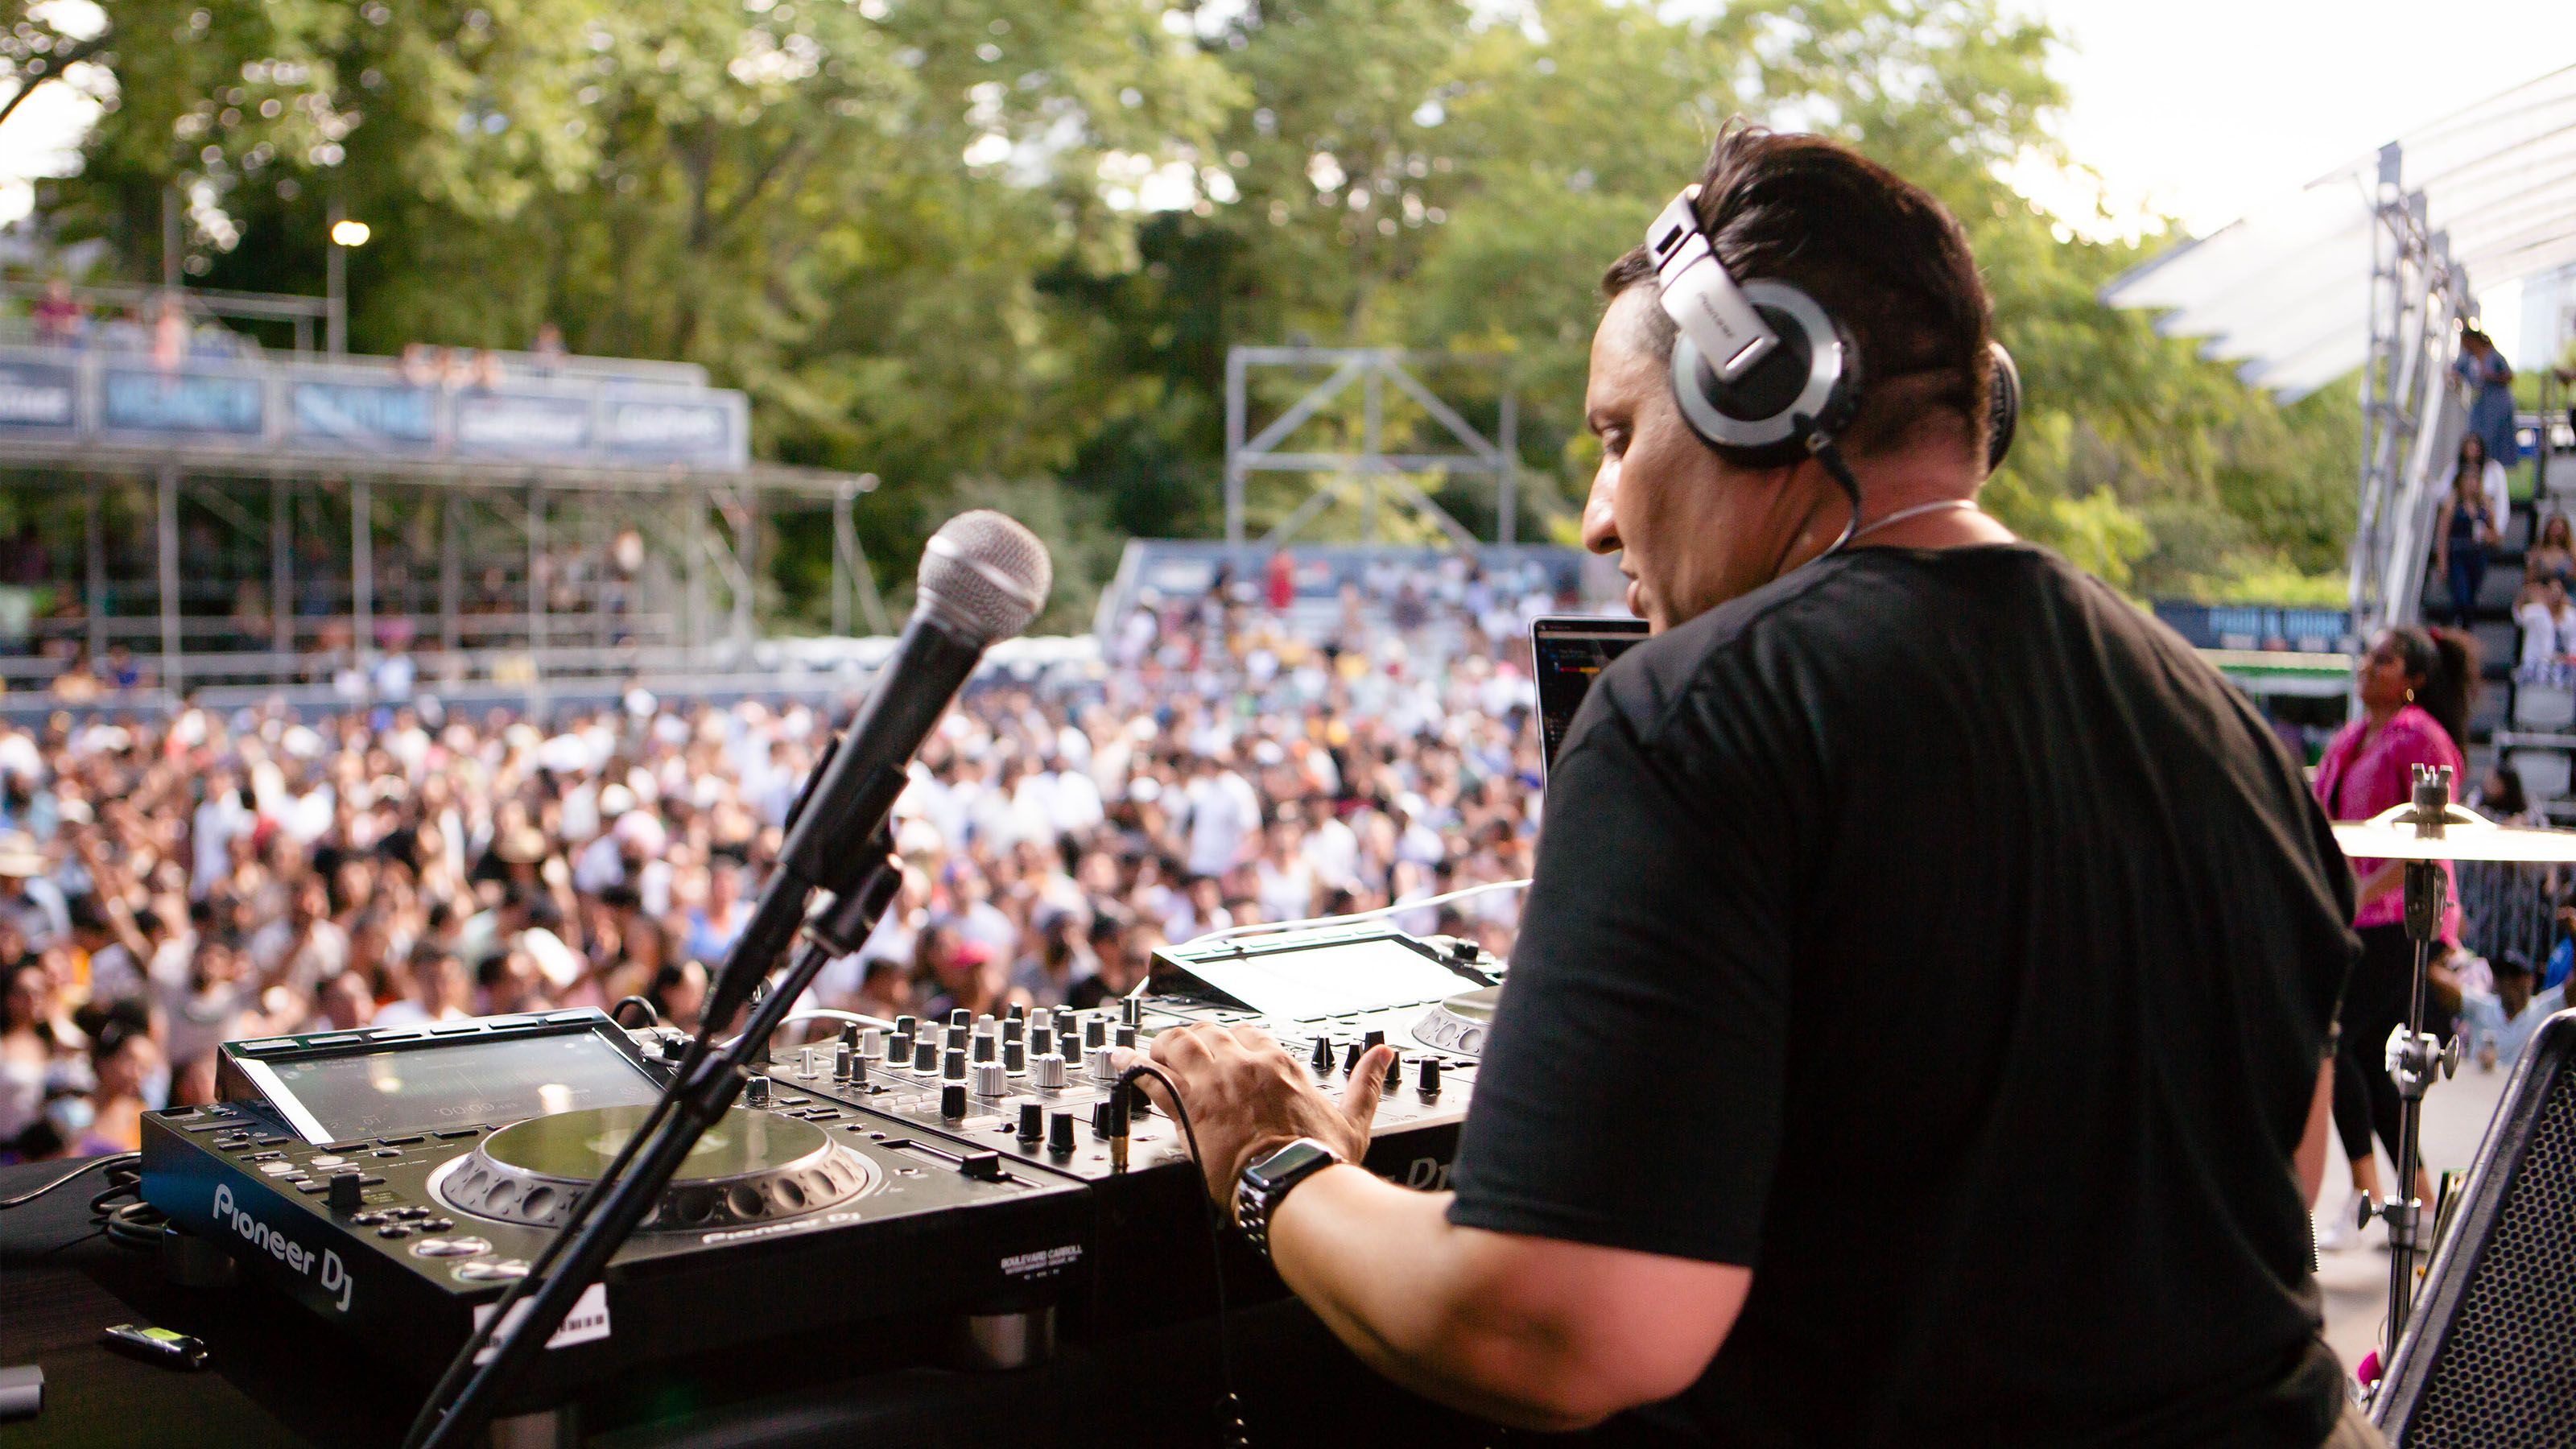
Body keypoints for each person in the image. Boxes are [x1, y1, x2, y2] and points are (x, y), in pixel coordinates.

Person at [1121, 127, 2375, 1447]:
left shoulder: (1700, 710)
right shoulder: (2226, 724)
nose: (1602, 511)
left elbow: (1552, 1323)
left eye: (1618, 433)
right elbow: (2276, 1185)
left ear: (1757, 387)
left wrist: (1278, 1165)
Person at [2310, 626, 2473, 1251]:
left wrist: (2363, 891)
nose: (2367, 666)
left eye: (2384, 658)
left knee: (2333, 1044)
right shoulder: (2351, 739)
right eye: (2368, 655)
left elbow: (2427, 840)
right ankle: (2425, 1201)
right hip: (2353, 918)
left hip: (2402, 920)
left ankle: (2368, 1192)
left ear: (2414, 679)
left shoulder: (2421, 738)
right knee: (2376, 1068)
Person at [2459, 950, 2562, 1072]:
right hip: (2478, 1088)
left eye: (2515, 975)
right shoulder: (2481, 1006)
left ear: (2531, 979)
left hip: (2524, 1090)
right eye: (2501, 975)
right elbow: (2438, 979)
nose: (2508, 981)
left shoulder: (2545, 1008)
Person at [2433, 456, 2500, 628]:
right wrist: (2442, 561)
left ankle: (2465, 632)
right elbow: (2443, 534)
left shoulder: (2484, 505)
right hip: (2457, 553)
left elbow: (2496, 535)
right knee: (2460, 597)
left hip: (2477, 555)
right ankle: (2447, 627)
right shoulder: (2453, 504)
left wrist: (2487, 535)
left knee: (2470, 599)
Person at [2454, 329, 2518, 469]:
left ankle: (2494, 472)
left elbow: (2509, 376)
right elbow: (2455, 372)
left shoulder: (2493, 355)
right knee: (2476, 439)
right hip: (2480, 407)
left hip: (2497, 406)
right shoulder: (2467, 358)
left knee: (2495, 442)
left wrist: (2492, 377)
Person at [2516, 572, 2576, 671]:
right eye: (2551, 590)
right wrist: (2526, 593)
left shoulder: (2572, 615)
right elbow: (2518, 616)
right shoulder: (2534, 612)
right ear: (2545, 592)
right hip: (2537, 667)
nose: (2555, 594)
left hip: (2567, 668)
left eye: (2558, 590)